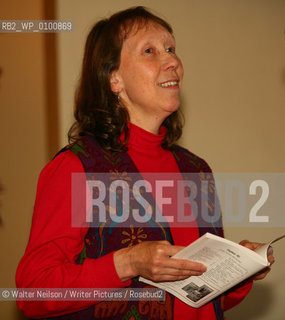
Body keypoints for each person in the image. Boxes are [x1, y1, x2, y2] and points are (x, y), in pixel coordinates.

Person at [16, 6, 274, 320]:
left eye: (171, 49)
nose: (173, 61)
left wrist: (237, 269)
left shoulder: (196, 169)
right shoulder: (76, 167)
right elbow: (33, 292)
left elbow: (196, 299)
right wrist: (126, 263)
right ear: (114, 79)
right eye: (150, 51)